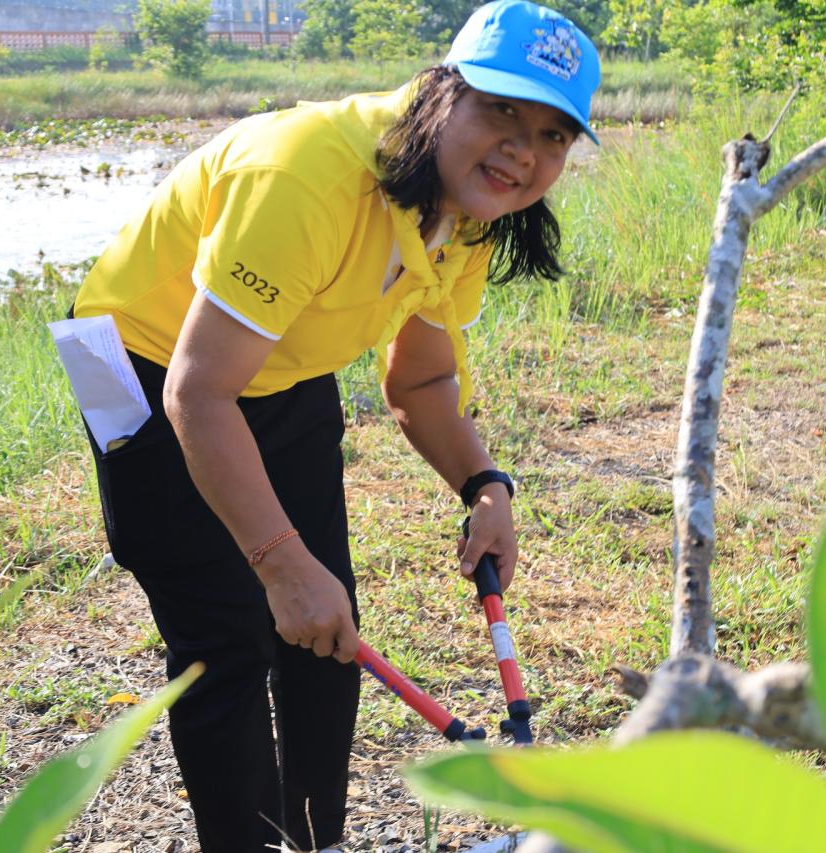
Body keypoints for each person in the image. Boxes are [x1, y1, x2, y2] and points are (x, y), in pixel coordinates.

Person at [69, 1, 599, 849]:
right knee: (227, 638)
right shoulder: (306, 177)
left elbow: (421, 378)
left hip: (278, 363)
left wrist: (485, 483)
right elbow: (199, 395)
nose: (523, 151)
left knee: (325, 629)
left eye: (554, 135)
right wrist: (277, 561)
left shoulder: (467, 211)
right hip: (145, 361)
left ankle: (313, 838)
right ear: (442, 92)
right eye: (501, 109)